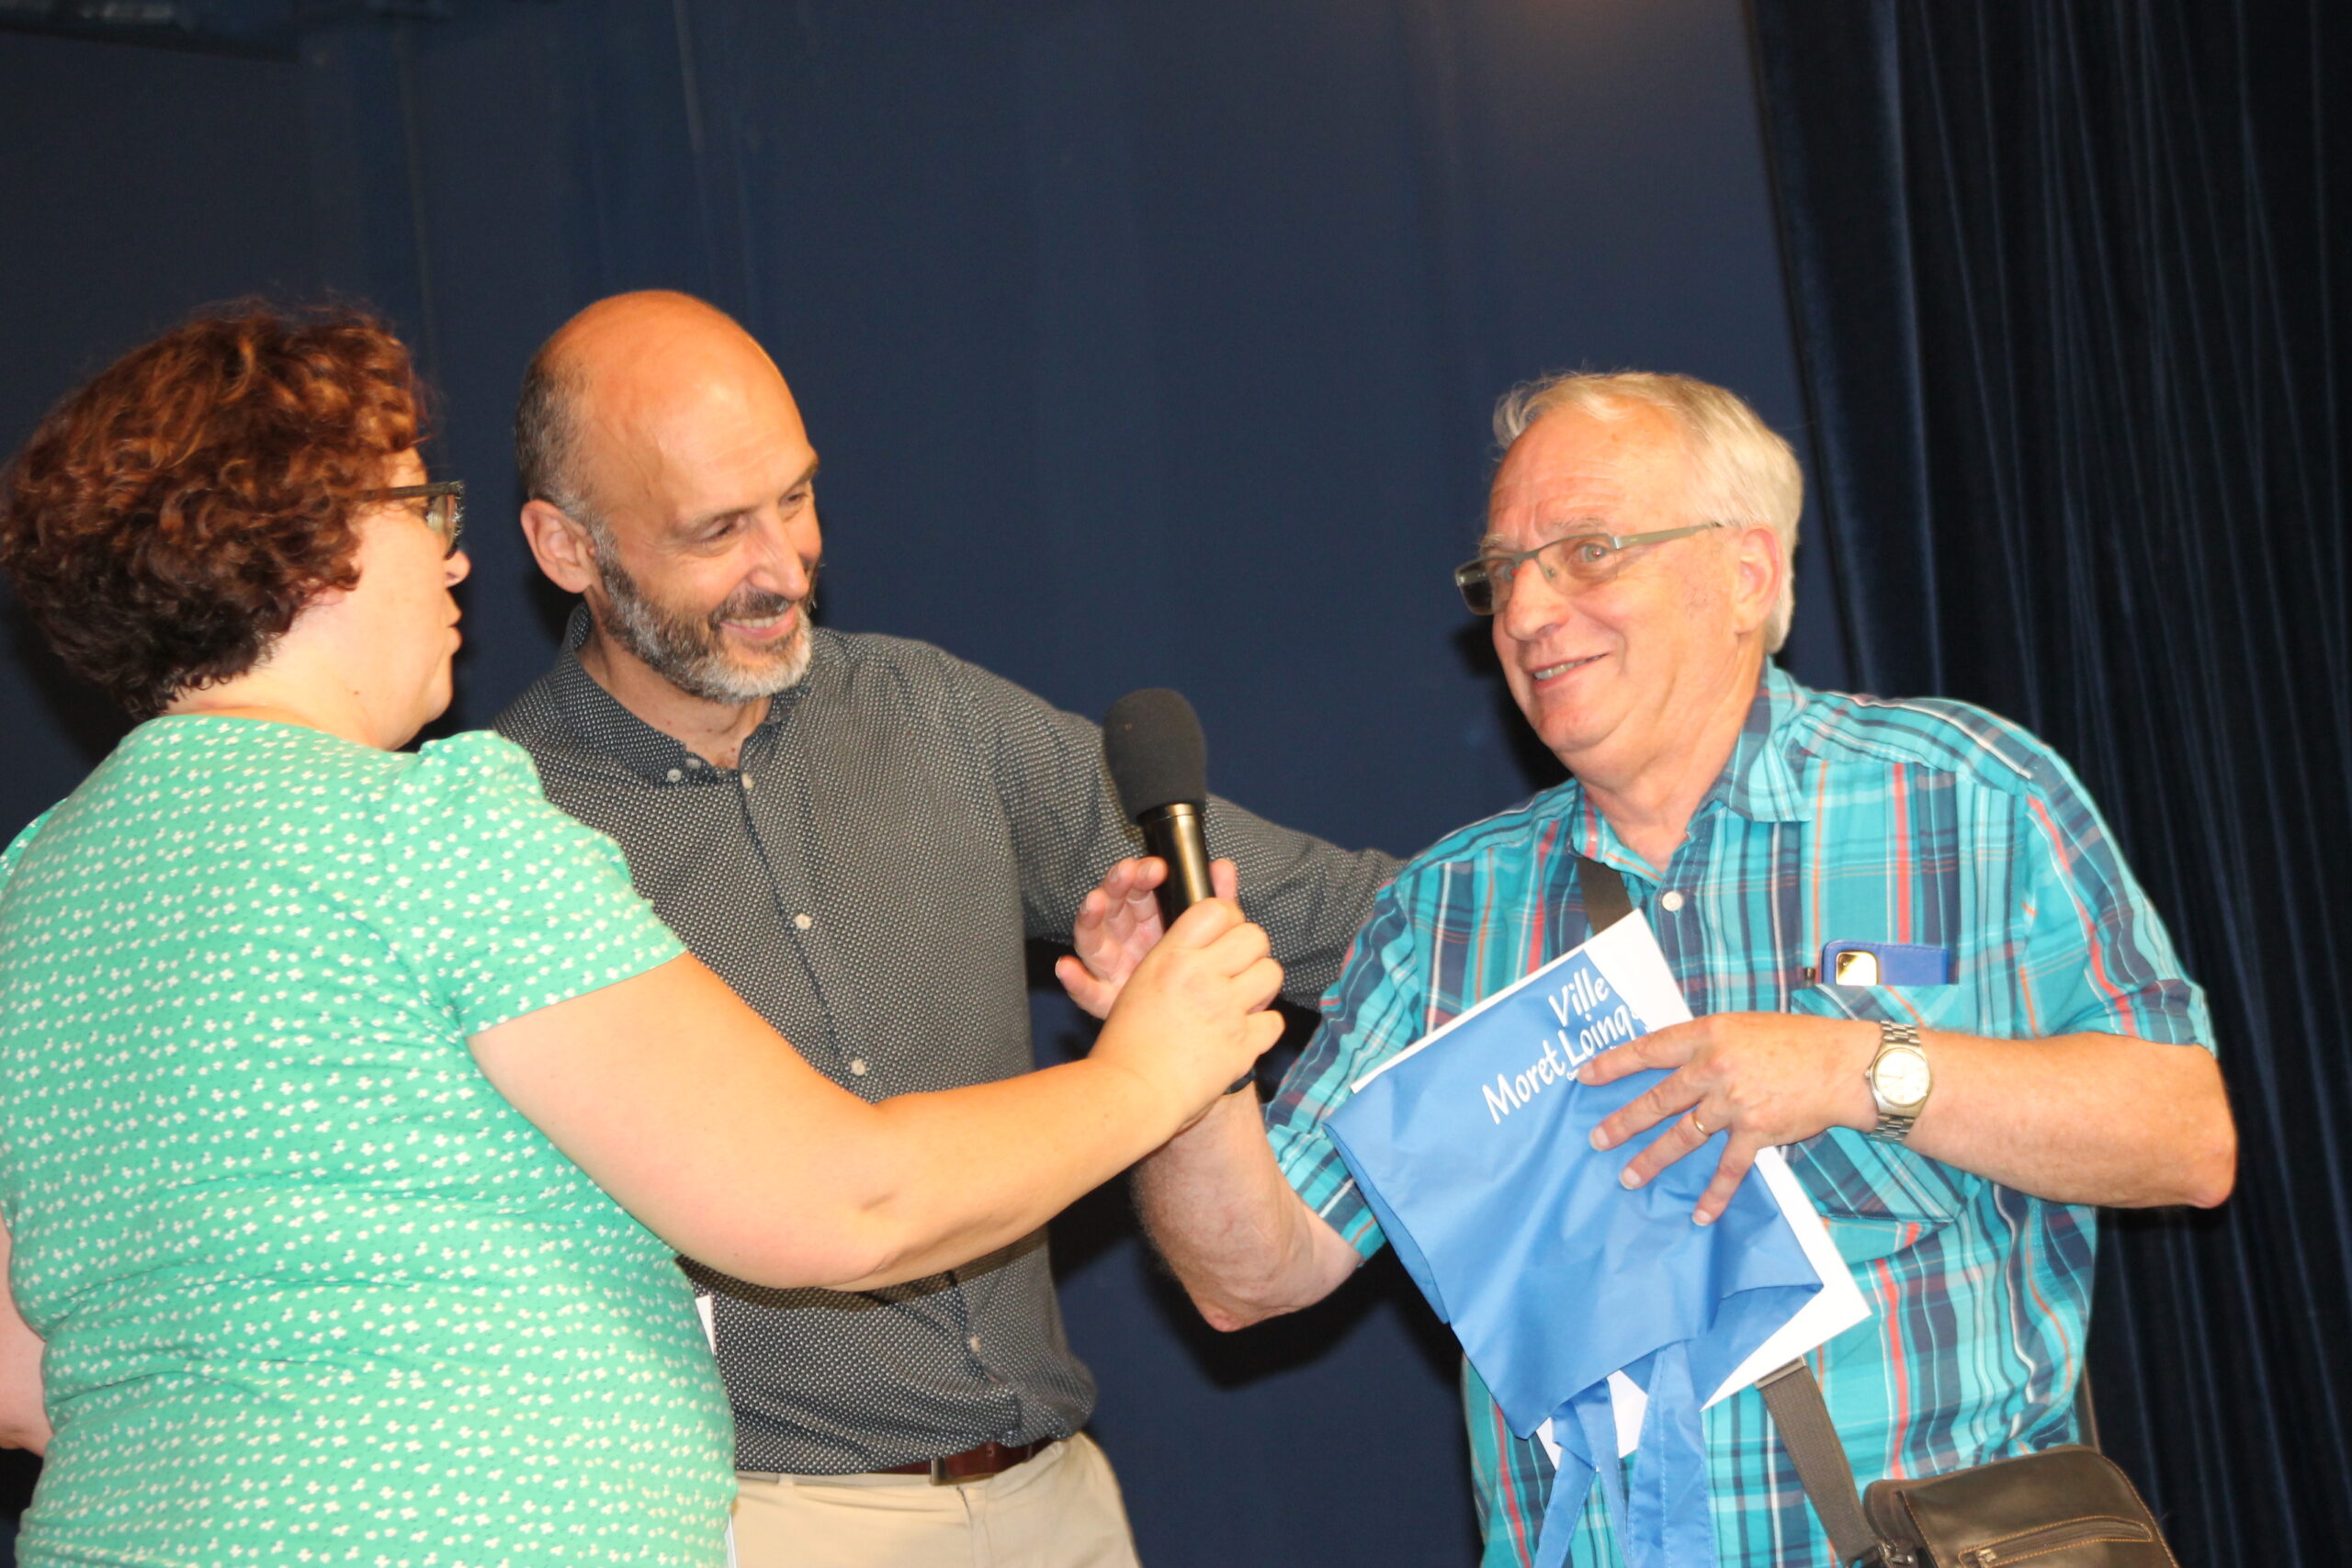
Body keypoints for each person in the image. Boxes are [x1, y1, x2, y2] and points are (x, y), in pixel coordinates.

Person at [0, 304, 1286, 1568]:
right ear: (305, 549)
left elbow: (20, 1376)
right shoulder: (431, 828)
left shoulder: (38, 882)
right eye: (420, 508)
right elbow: (841, 1202)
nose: (455, 561)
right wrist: (1149, 1072)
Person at [1120, 371, 2238, 1566]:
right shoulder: (1450, 911)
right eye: (1502, 572)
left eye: (1587, 552)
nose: (1527, 611)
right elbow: (1255, 1274)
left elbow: (2186, 1138)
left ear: (1746, 572)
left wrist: (1857, 1070)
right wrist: (1182, 1064)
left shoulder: (1964, 795)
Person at [495, 289, 1398, 1568]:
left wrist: (1615, 913)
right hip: (763, 1523)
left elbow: (1318, 909)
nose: (783, 566)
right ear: (567, 547)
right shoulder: (506, 831)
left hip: (1059, 1500)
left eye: (796, 498)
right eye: (718, 530)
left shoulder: (932, 716)